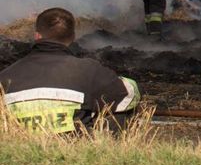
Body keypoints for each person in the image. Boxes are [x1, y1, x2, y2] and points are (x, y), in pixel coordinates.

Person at [0, 8, 140, 133]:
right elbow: (129, 94)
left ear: (37, 36)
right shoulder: (87, 70)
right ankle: (108, 150)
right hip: (75, 148)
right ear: (73, 37)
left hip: (22, 147)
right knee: (122, 108)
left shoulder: (6, 75)